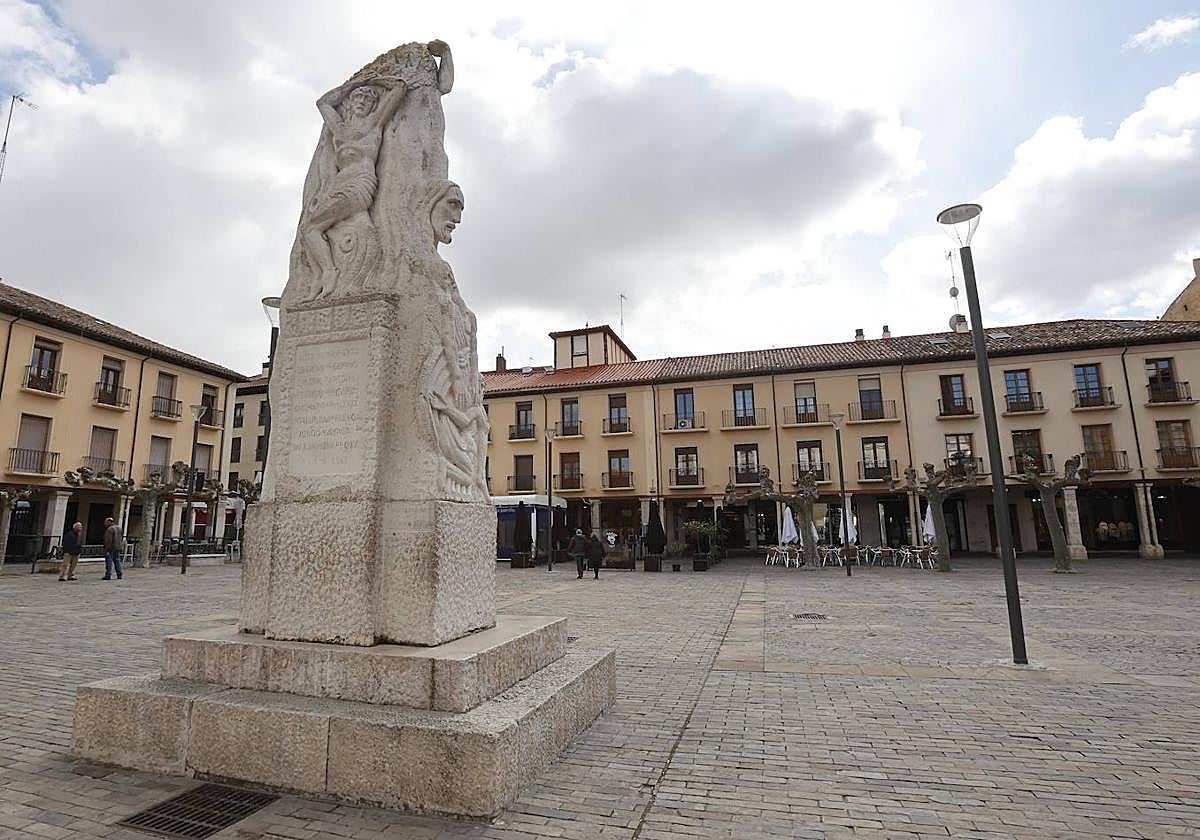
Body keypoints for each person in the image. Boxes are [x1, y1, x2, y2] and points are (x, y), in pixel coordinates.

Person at [102, 516, 124, 580]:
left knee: (109, 561)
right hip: (118, 547)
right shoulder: (119, 528)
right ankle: (119, 574)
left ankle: (108, 575)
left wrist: (107, 548)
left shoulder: (109, 529)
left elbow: (108, 540)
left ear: (109, 522)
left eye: (106, 522)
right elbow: (121, 537)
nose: (105, 524)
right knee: (117, 560)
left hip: (111, 547)